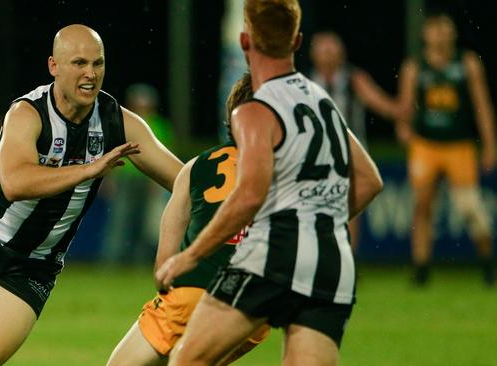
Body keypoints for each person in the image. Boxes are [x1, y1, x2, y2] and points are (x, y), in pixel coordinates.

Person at [0, 24, 183, 366]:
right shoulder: (28, 113)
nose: (90, 74)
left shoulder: (118, 123)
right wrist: (87, 169)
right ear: (54, 66)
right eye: (79, 63)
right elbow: (15, 183)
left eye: (98, 64)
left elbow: (182, 179)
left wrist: (225, 188)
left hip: (33, 264)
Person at [155, 1, 384, 365]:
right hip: (330, 264)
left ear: (245, 42)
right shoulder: (323, 102)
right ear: (297, 42)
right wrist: (318, 223)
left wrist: (190, 255)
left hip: (272, 257)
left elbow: (248, 196)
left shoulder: (254, 109)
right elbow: (370, 181)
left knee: (188, 359)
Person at [106, 73, 270, 366]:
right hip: (257, 309)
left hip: (195, 294)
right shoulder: (292, 174)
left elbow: (163, 271)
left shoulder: (196, 168)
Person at [395, 11, 495, 286]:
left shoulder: (467, 63)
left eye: (444, 29)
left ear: (453, 34)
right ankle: (421, 268)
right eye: (434, 29)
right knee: (422, 205)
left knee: (469, 207)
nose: (439, 34)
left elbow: (481, 105)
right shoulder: (414, 67)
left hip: (459, 145)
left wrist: (489, 144)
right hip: (426, 144)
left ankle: (487, 262)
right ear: (425, 34)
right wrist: (403, 129)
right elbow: (405, 106)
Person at [310, 30, 401, 252]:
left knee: (349, 208)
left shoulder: (353, 79)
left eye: (333, 48)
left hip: (350, 154)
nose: (329, 54)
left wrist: (405, 116)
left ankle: (347, 259)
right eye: (324, 49)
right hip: (315, 155)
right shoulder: (306, 81)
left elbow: (381, 103)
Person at [103, 83, 175, 264]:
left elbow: (166, 154)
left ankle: (140, 262)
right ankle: (112, 261)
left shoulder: (160, 125)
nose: (142, 106)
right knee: (120, 221)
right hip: (125, 179)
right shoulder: (124, 121)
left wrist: (159, 183)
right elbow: (111, 151)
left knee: (146, 225)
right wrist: (109, 178)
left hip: (150, 179)